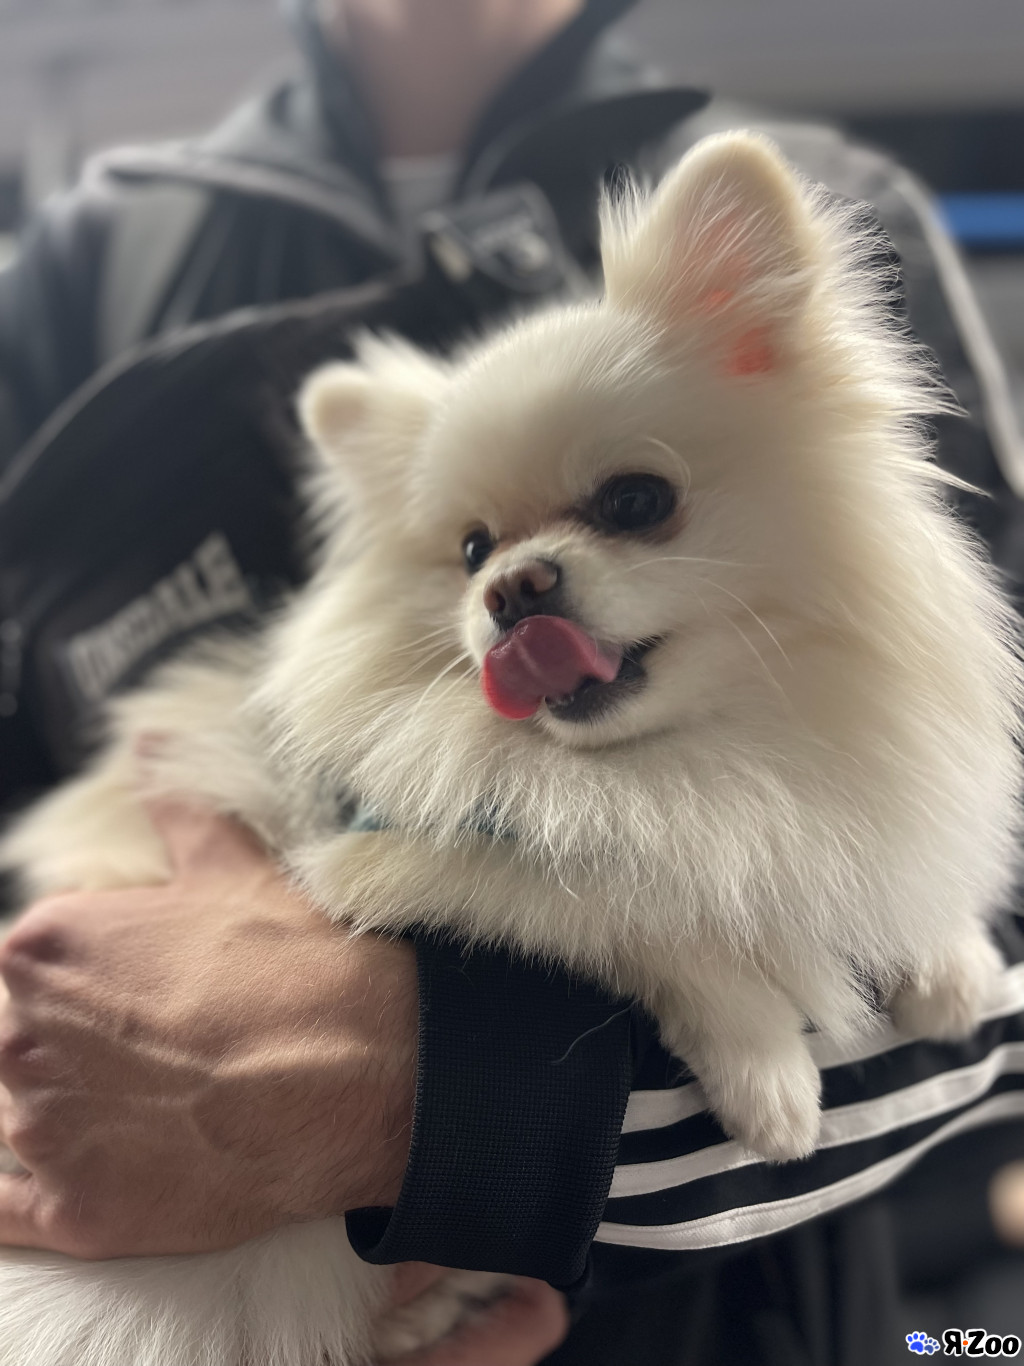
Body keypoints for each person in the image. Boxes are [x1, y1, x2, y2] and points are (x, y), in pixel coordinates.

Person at [1, 1, 1023, 1362]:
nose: (519, 582)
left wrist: (461, 1108)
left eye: (634, 500)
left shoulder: (834, 199)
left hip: (743, 1324)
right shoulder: (87, 256)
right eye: (478, 549)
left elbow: (987, 945)